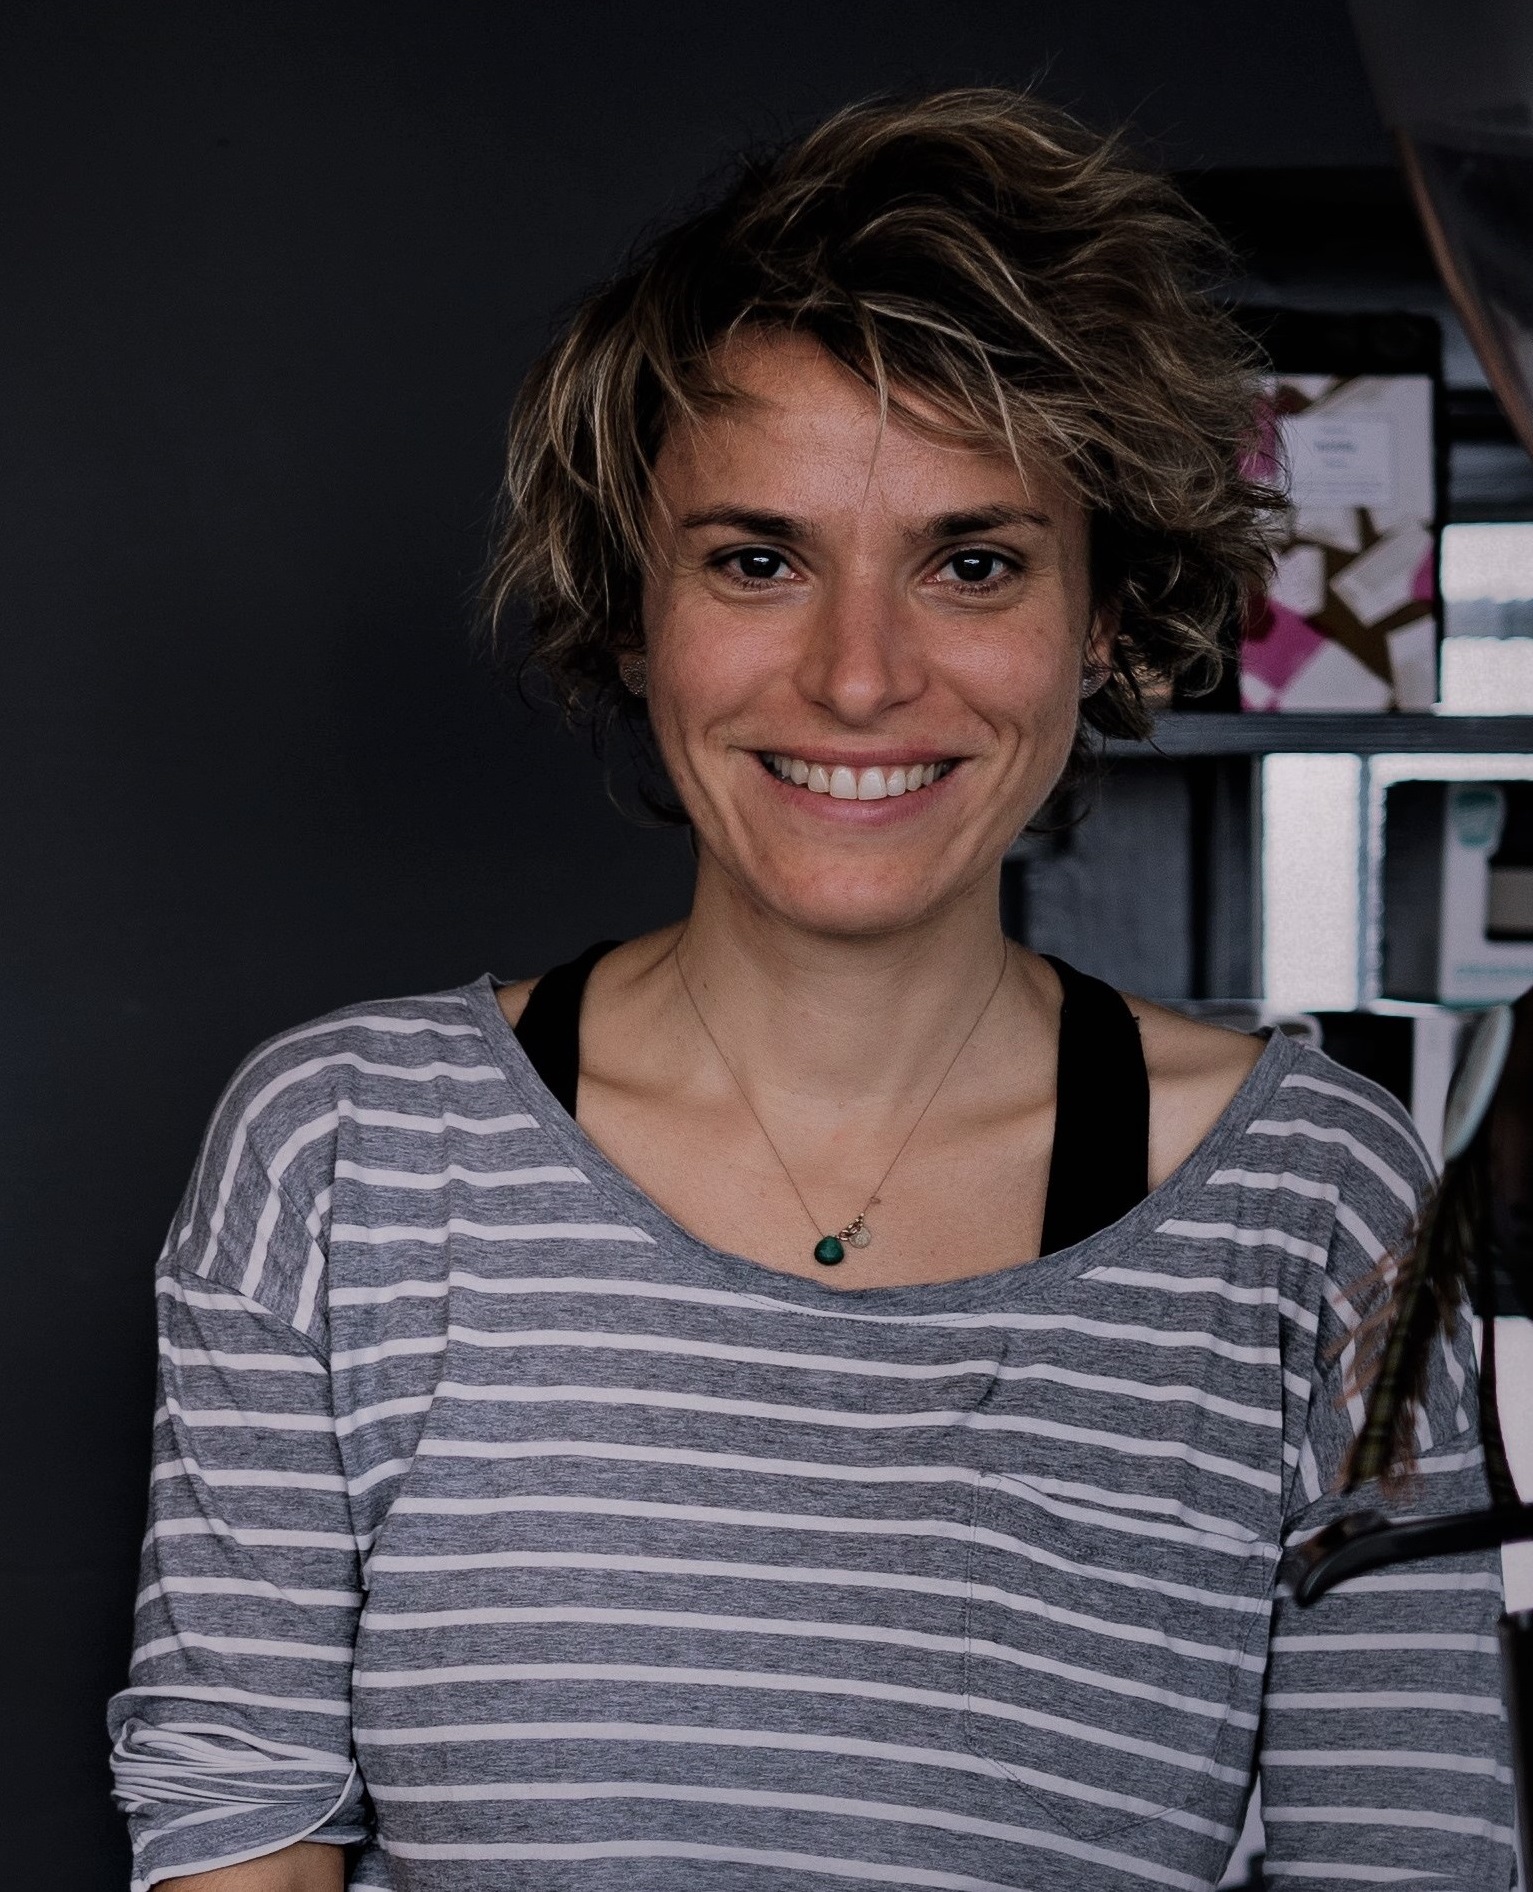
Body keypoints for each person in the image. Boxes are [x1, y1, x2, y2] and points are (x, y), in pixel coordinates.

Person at [108, 89, 1514, 1890]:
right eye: (757, 560)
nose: (858, 677)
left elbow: (1406, 1855)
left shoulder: (1318, 1205)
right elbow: (240, 1810)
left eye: (972, 562)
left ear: (1102, 617)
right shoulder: (346, 1151)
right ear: (634, 608)